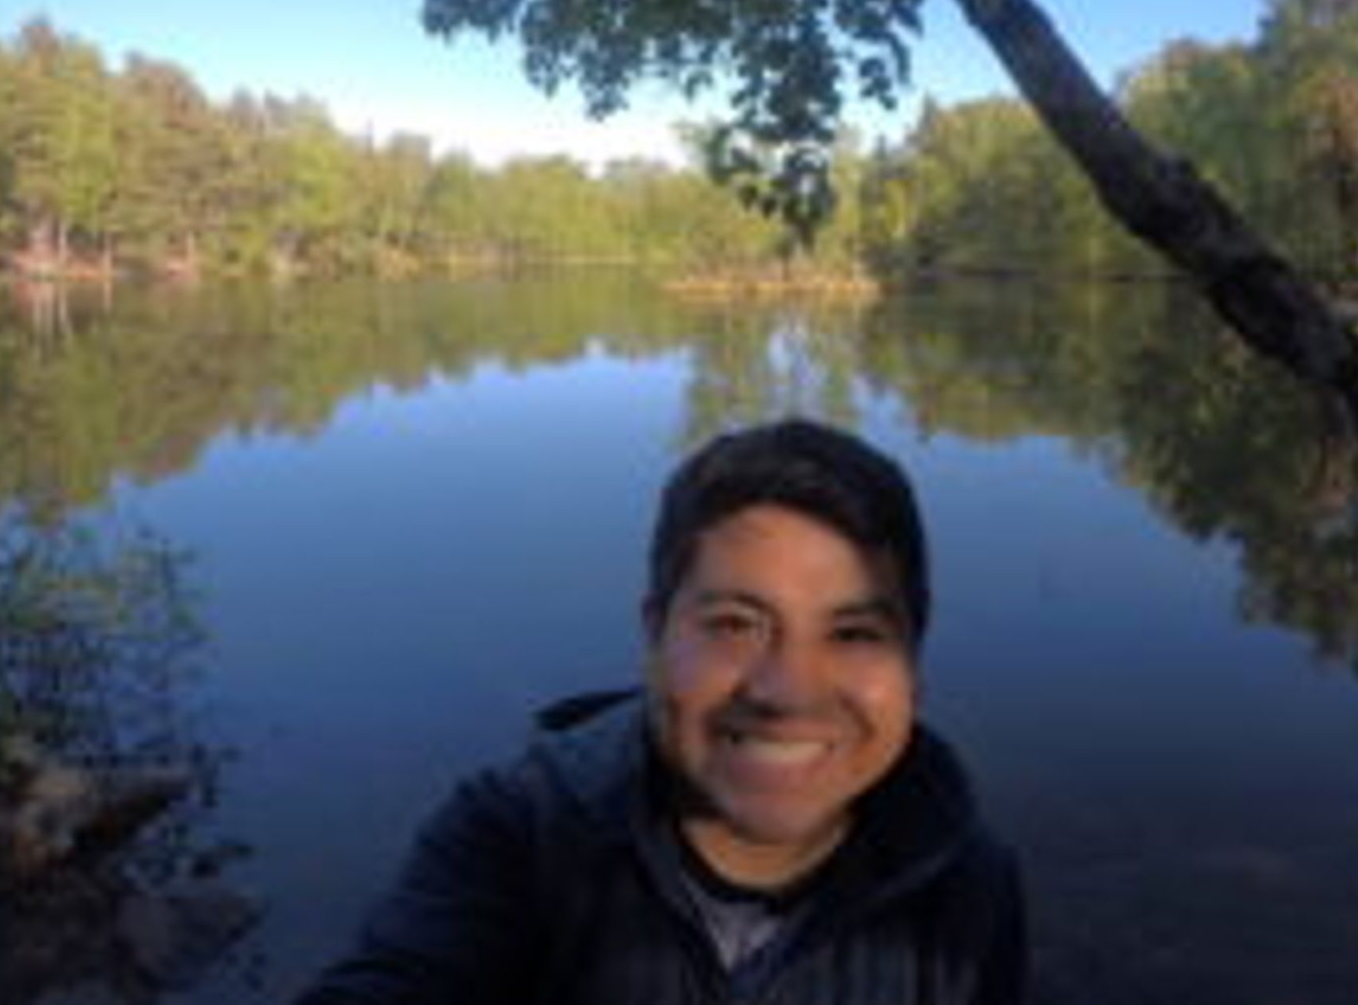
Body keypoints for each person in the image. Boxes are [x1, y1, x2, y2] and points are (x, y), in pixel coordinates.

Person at [292, 418, 1026, 1003]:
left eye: (854, 633)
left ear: (914, 663)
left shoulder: (965, 883)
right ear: (654, 632)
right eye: (736, 623)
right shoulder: (515, 838)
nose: (787, 691)